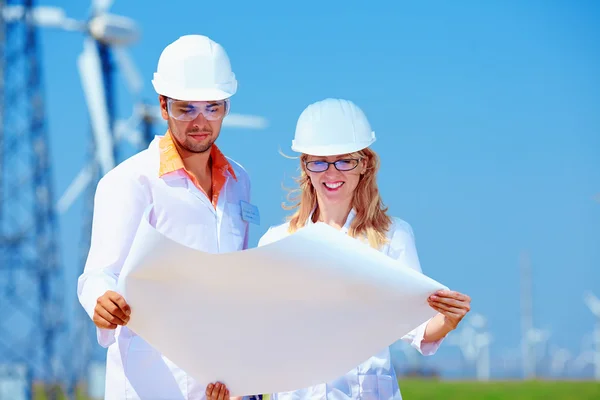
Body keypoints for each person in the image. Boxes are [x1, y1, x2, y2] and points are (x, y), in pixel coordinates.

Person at [257, 98, 472, 400]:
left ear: (365, 164)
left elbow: (420, 328)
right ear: (305, 166)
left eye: (345, 160)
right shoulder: (276, 242)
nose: (331, 174)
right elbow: (259, 333)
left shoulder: (392, 236)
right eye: (319, 161)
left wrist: (449, 320)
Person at [77, 35, 254, 400]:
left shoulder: (241, 182)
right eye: (186, 108)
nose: (200, 121)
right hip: (151, 384)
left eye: (212, 107)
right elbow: (98, 274)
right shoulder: (130, 181)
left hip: (219, 385)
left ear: (226, 107)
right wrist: (101, 300)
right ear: (163, 106)